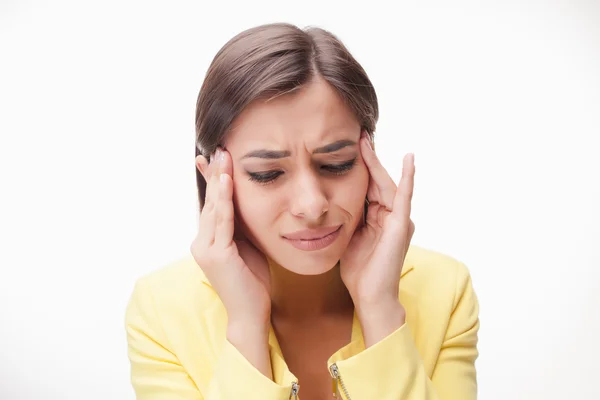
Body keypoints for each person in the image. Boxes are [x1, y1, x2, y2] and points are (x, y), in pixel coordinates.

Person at [125, 22, 480, 400]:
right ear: (214, 177)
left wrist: (380, 311)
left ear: (369, 157)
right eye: (268, 174)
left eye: (337, 163)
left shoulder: (445, 289)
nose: (312, 205)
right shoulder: (161, 310)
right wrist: (246, 327)